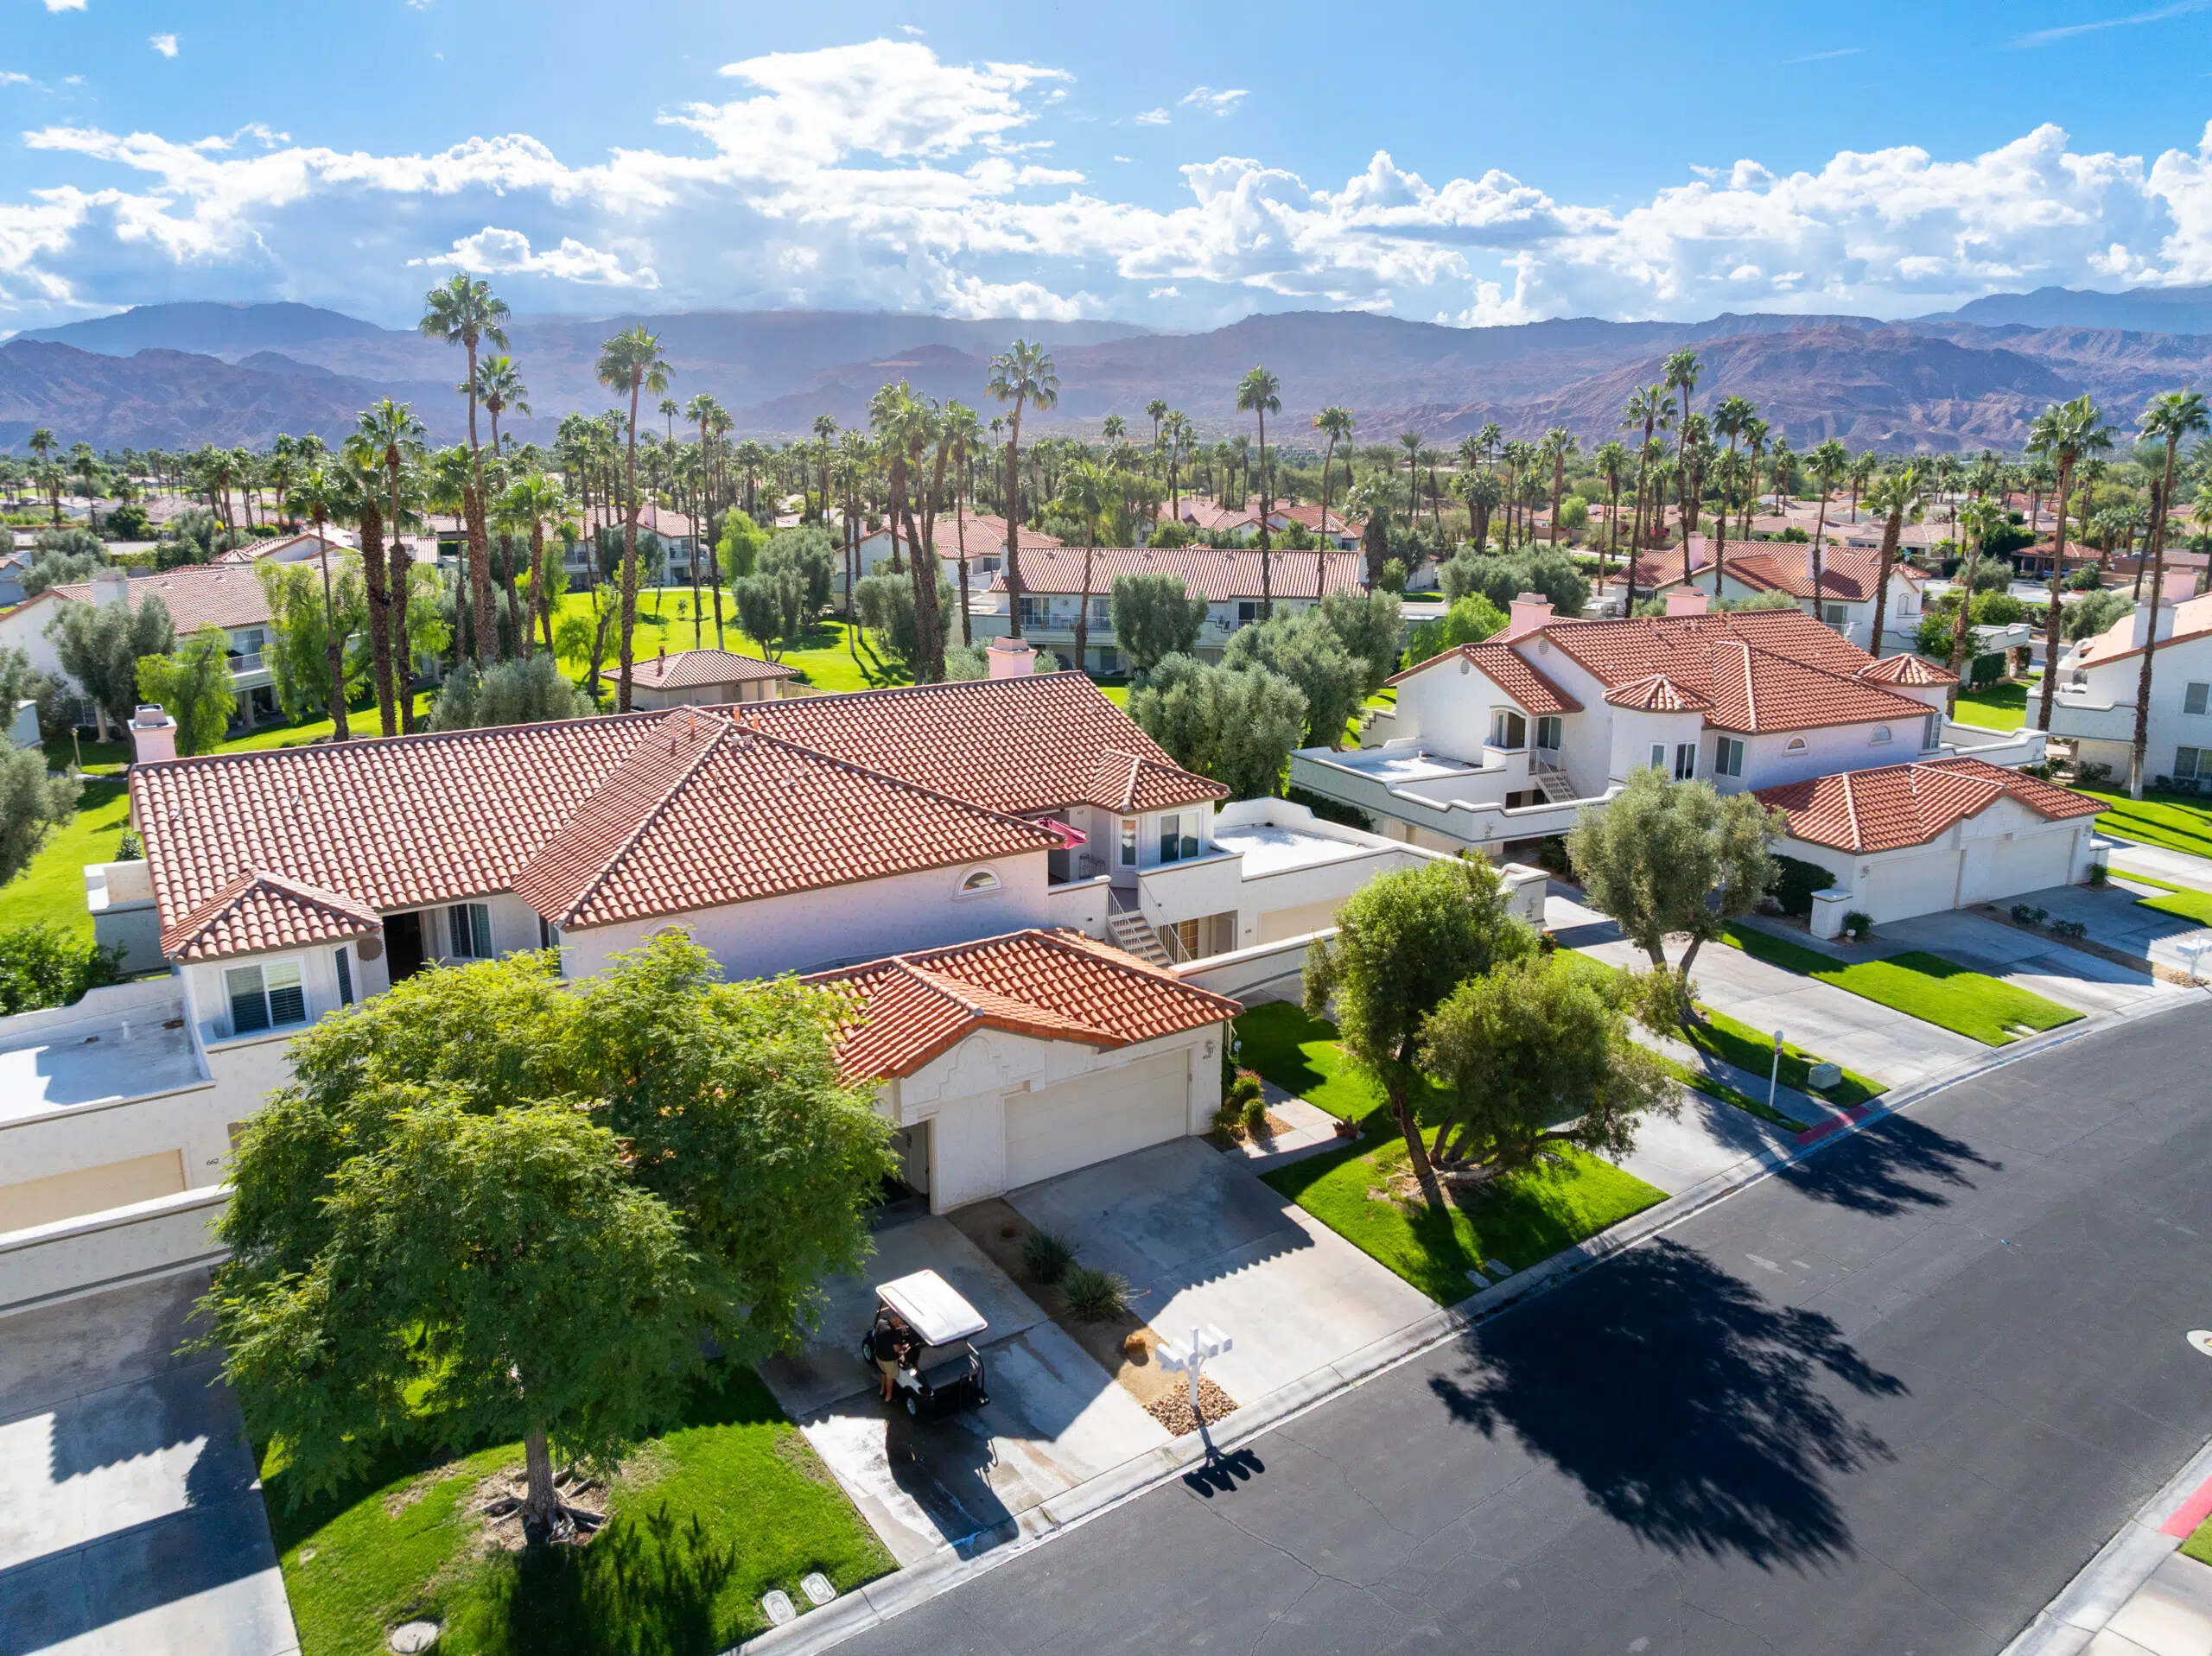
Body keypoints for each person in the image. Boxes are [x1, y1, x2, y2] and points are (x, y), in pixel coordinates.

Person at [874, 1308, 912, 1402]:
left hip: (879, 1356)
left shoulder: (881, 1322)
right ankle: (888, 1397)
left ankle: (882, 1390)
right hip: (888, 1360)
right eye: (901, 1321)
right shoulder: (893, 1332)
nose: (901, 1323)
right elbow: (897, 1349)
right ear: (897, 1320)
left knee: (884, 1373)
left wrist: (900, 1327)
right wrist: (904, 1347)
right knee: (890, 1377)